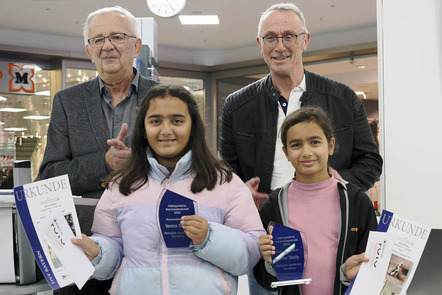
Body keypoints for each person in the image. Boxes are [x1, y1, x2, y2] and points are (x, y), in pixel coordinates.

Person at [218, 5, 382, 292]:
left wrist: (337, 184)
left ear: (305, 40)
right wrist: (240, 193)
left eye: (288, 36)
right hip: (268, 238)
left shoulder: (342, 98)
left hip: (333, 234)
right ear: (260, 44)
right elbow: (225, 173)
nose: (279, 46)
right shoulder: (237, 105)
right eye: (270, 38)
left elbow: (370, 161)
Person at [72, 84, 265, 295]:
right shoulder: (121, 184)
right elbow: (114, 247)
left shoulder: (225, 182)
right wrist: (99, 252)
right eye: (155, 121)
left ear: (193, 126)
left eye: (177, 121)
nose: (166, 130)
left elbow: (251, 252)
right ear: (144, 129)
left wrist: (209, 238)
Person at [38, 6, 159, 294]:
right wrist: (105, 162)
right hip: (81, 248)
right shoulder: (68, 102)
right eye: (97, 40)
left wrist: (139, 165)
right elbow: (49, 177)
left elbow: (187, 170)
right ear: (89, 52)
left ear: (136, 46)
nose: (107, 46)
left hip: (151, 246)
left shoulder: (165, 97)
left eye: (117, 36)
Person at [254, 106, 378, 295]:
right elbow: (264, 279)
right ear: (286, 152)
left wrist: (349, 275)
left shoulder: (356, 201)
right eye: (296, 145)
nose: (306, 152)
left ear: (330, 145)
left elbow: (373, 268)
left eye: (314, 142)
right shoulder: (274, 205)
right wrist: (271, 264)